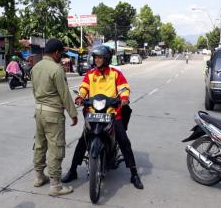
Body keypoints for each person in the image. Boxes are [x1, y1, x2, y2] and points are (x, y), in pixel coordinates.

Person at [61, 45, 144, 190]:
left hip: (112, 112)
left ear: (106, 58)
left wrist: (124, 98)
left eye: (99, 57)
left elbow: (124, 87)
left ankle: (134, 173)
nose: (97, 60)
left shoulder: (115, 74)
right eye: (95, 57)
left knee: (123, 140)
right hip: (93, 112)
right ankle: (73, 170)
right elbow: (84, 87)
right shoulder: (90, 74)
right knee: (82, 140)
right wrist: (80, 97)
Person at [31, 38, 79, 196]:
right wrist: (73, 114)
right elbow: (64, 94)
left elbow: (34, 91)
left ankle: (38, 177)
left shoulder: (35, 67)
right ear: (56, 52)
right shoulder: (56, 69)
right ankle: (55, 185)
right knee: (55, 147)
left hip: (38, 111)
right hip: (53, 114)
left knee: (40, 144)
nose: (62, 57)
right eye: (61, 54)